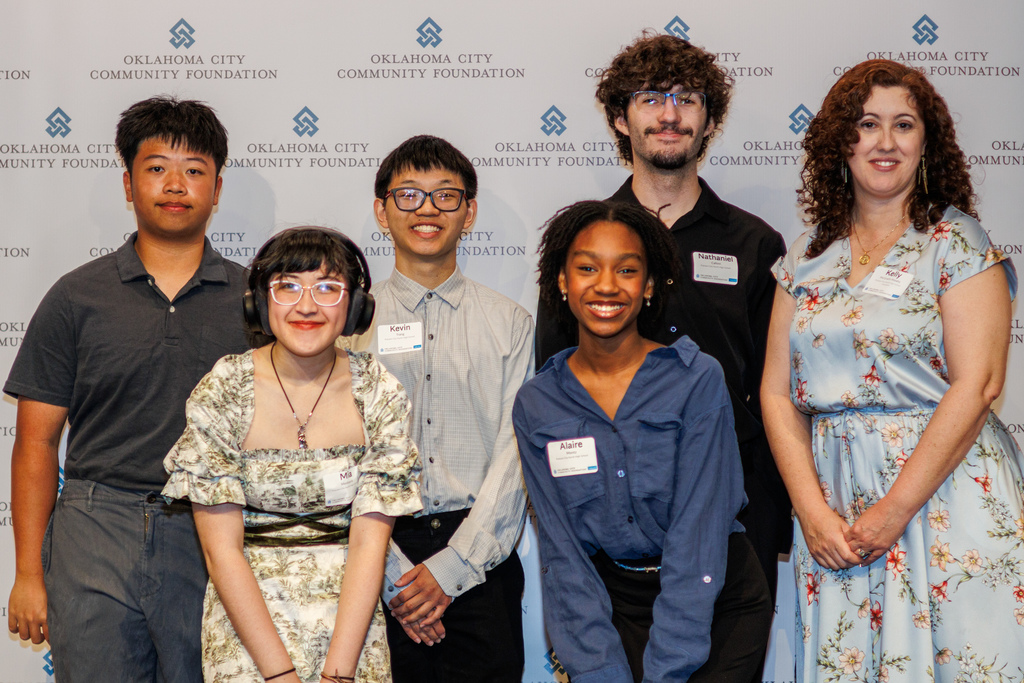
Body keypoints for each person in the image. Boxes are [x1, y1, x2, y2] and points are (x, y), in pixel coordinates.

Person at [762, 59, 1024, 682]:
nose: (885, 142)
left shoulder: (956, 241)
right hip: (834, 506)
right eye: (867, 124)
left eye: (903, 125)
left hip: (942, 497)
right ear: (839, 142)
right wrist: (812, 512)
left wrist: (893, 511)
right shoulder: (805, 254)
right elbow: (775, 392)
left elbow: (980, 383)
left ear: (926, 140)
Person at [534, 31, 791, 640]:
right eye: (650, 98)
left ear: (710, 121)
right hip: (608, 515)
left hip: (733, 510)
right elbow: (554, 381)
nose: (669, 114)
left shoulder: (755, 245)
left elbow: (778, 391)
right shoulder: (583, 243)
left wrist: (775, 518)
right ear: (621, 120)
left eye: (688, 99)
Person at [4, 96, 249, 682]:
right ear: (128, 182)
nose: (175, 184)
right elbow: (36, 444)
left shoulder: (256, 301)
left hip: (214, 527)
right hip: (95, 528)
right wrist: (29, 574)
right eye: (157, 167)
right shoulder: (75, 297)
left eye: (194, 170)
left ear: (217, 190)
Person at [163, 227, 422, 683]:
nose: (307, 305)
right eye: (287, 287)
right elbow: (221, 551)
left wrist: (339, 674)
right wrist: (279, 674)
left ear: (356, 307)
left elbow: (369, 545)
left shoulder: (378, 391)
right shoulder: (226, 389)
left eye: (328, 287)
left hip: (351, 625)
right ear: (260, 303)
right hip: (247, 628)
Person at [514, 200, 756, 682]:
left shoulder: (697, 379)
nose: (606, 285)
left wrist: (666, 670)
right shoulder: (537, 403)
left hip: (714, 601)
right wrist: (598, 670)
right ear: (562, 282)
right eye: (586, 268)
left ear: (648, 285)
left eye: (627, 269)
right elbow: (563, 555)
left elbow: (698, 533)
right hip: (610, 609)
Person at [347, 135, 533, 682]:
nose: (427, 209)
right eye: (408, 195)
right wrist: (390, 572)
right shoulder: (345, 324)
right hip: (374, 548)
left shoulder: (511, 323)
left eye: (445, 196)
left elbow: (516, 454)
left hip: (481, 559)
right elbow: (335, 454)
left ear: (469, 212)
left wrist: (453, 567)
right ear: (382, 211)